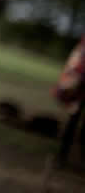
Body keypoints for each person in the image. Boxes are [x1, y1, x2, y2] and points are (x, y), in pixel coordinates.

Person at [53, 34, 85, 167]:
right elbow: (78, 57)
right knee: (73, 120)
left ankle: (78, 156)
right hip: (80, 85)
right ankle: (62, 156)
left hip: (80, 83)